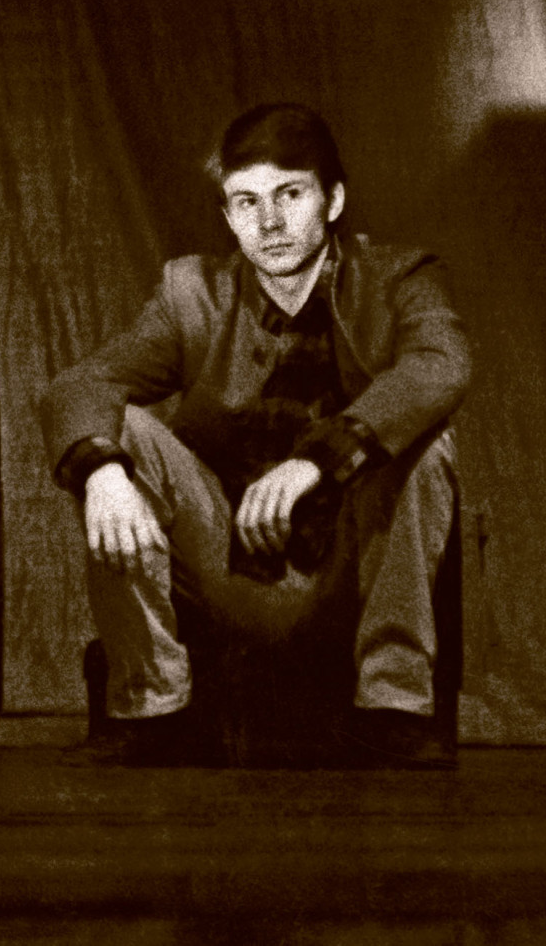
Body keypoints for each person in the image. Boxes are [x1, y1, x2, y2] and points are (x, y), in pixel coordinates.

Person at [44, 103, 468, 767]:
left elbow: (441, 366)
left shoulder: (399, 278)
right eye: (246, 202)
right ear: (227, 215)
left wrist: (318, 460)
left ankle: (394, 705)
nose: (268, 223)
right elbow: (80, 384)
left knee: (425, 439)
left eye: (289, 195)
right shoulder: (191, 292)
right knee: (116, 433)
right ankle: (151, 707)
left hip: (349, 574)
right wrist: (102, 471)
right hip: (224, 563)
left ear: (333, 201)